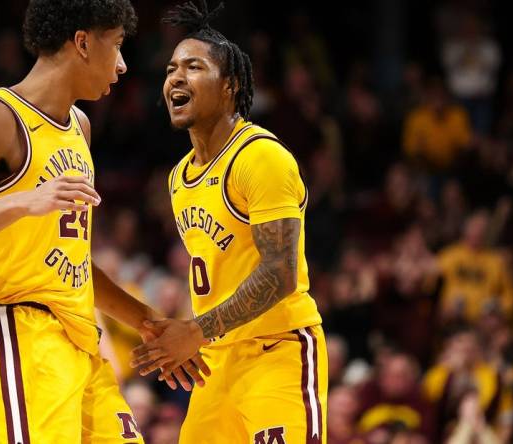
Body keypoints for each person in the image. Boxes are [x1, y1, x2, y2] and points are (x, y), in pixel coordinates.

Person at [0, 1, 206, 442]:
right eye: (118, 46)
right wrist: (23, 202)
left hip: (81, 339)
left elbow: (76, 263)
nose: (124, 65)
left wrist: (149, 322)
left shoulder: (79, 128)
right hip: (21, 332)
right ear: (83, 43)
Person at [131, 1, 327, 443]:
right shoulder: (179, 178)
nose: (175, 78)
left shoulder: (261, 157)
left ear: (230, 86)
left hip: (276, 350)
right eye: (169, 69)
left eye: (193, 67)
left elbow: (279, 273)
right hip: (216, 363)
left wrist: (194, 332)